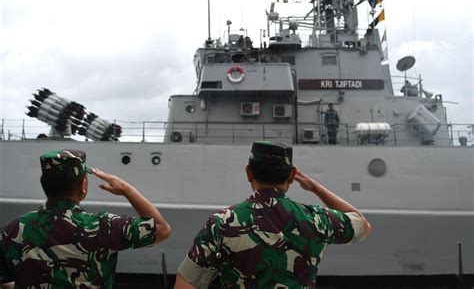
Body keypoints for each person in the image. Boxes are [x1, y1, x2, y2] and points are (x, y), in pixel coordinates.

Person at [174, 141, 371, 288]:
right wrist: (316, 188)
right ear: (292, 176)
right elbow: (362, 224)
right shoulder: (318, 220)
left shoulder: (221, 224)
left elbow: (186, 285)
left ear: (249, 173)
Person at [0, 149, 171, 288]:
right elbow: (162, 229)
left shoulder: (14, 229)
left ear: (44, 184)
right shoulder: (104, 227)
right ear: (83, 186)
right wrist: (126, 189)